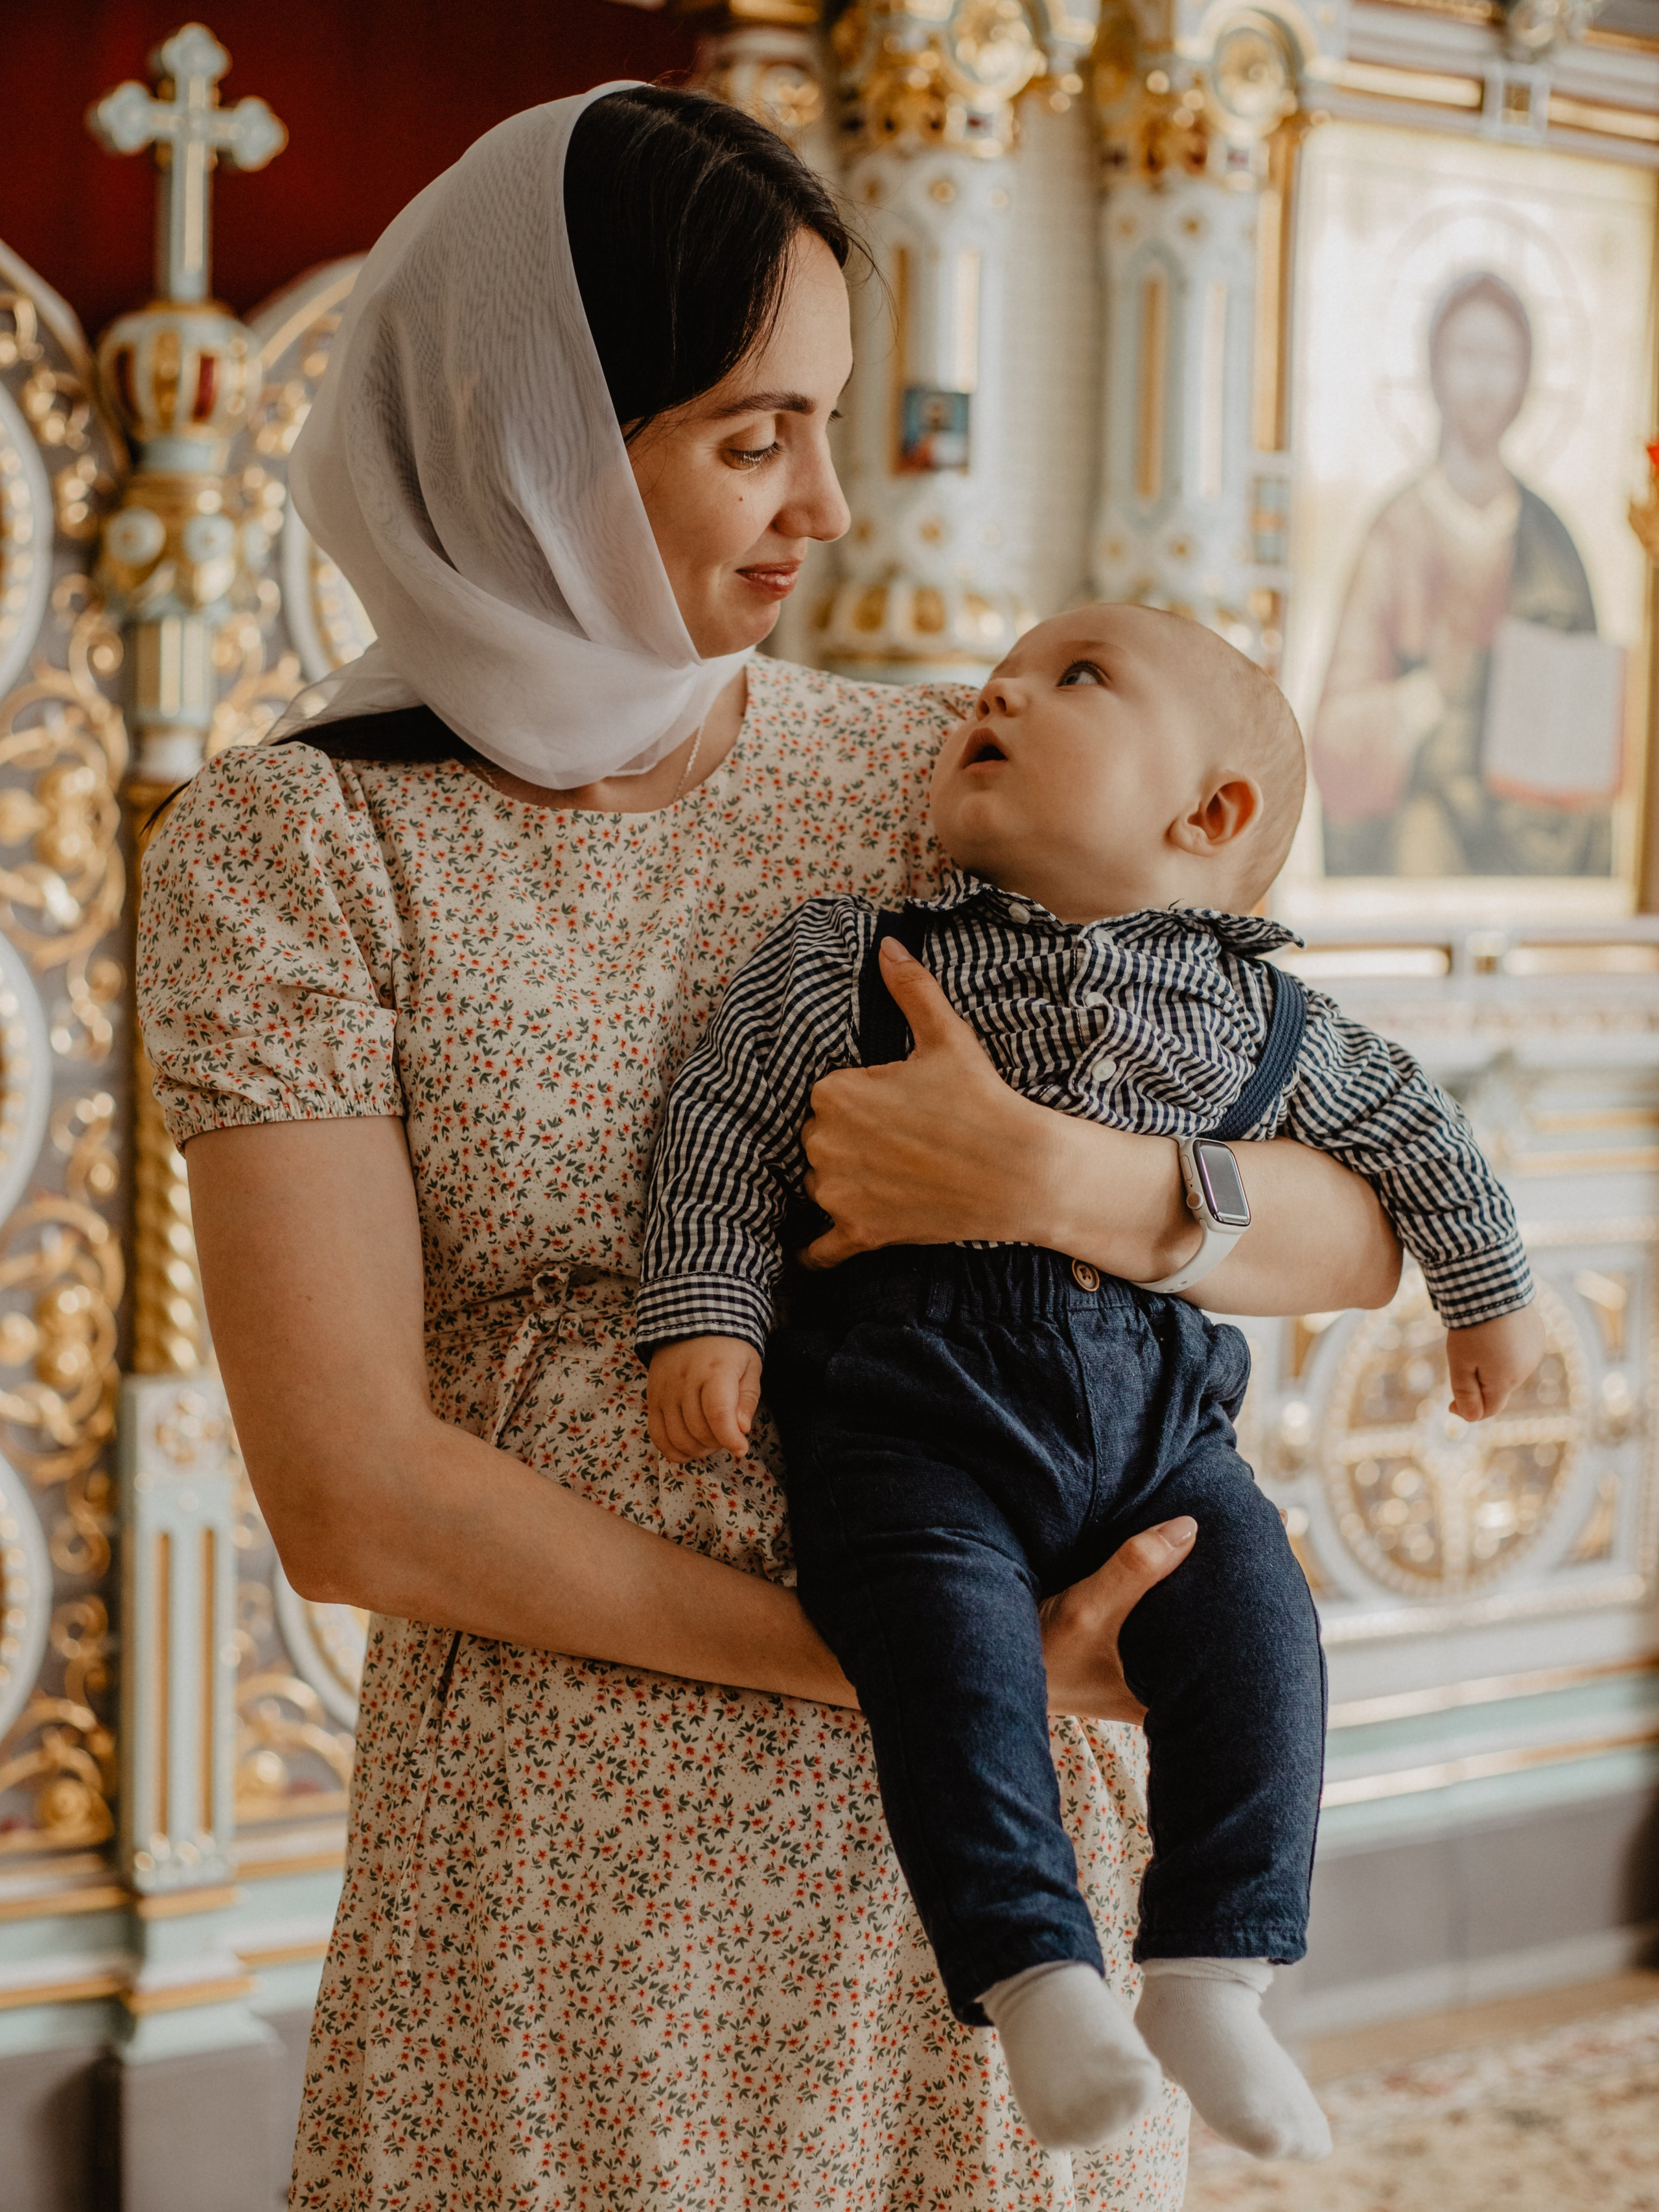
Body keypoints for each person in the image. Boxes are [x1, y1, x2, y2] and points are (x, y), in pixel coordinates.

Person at [137, 85, 1402, 2209]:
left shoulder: (936, 772)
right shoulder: (302, 841)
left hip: (987, 1904)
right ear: (535, 424)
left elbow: (1363, 1218)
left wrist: (1058, 1186)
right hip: (571, 1876)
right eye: (751, 432)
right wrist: (926, 1660)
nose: (830, 498)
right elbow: (353, 1491)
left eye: (829, 417)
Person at [642, 603, 1542, 2161]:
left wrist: (1490, 1295)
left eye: (1076, 678)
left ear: (1206, 816)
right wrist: (707, 1314)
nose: (999, 685)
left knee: (1259, 1627)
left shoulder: (1267, 1018)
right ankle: (1033, 1967)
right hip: (909, 1420)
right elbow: (719, 1130)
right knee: (944, 1654)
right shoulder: (847, 952)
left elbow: (1416, 1140)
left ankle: (1212, 1968)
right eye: (1007, 672)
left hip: (1155, 1440)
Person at [1310, 269, 1605, 878]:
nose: (1483, 380)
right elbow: (1337, 734)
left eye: (1502, 359)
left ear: (1527, 378)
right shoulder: (1397, 532)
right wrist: (1426, 696)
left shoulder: (1551, 541)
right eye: (1466, 354)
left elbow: (1588, 728)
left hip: (1533, 838)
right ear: (1433, 367)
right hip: (1424, 825)